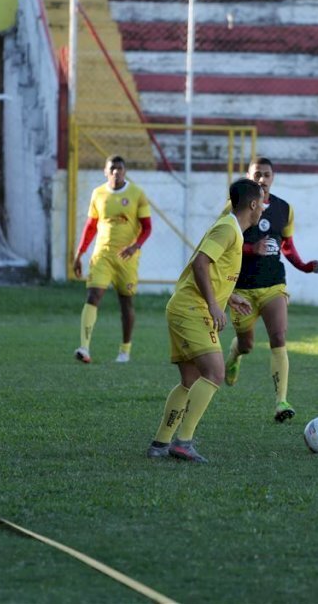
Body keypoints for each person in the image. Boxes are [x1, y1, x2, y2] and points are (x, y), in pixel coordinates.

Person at [146, 178, 265, 463]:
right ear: (252, 204)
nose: (263, 207)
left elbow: (212, 270)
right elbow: (201, 263)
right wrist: (213, 305)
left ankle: (160, 443)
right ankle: (183, 442)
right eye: (261, 202)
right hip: (192, 308)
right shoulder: (228, 228)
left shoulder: (230, 228)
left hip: (184, 306)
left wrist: (228, 296)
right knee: (215, 372)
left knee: (190, 380)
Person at [221, 158, 318, 423]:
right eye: (257, 174)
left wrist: (303, 265)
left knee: (278, 336)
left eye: (266, 175)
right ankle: (234, 355)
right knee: (247, 344)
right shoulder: (233, 208)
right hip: (242, 288)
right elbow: (222, 243)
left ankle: (281, 402)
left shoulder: (284, 209)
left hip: (273, 284)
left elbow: (286, 244)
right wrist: (251, 249)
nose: (262, 179)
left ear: (273, 178)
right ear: (248, 176)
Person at [72, 155, 152, 364]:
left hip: (127, 257)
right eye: (112, 169)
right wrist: (80, 253)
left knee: (125, 301)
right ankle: (84, 347)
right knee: (93, 296)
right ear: (105, 171)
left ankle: (125, 350)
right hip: (103, 255)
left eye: (120, 169)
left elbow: (147, 227)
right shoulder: (98, 194)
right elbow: (90, 226)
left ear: (125, 172)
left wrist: (135, 246)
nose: (116, 172)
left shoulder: (137, 194)